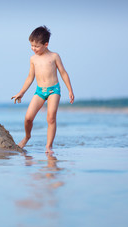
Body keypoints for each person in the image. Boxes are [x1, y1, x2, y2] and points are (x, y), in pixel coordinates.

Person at [11, 26, 74, 154]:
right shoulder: (33, 59)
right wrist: (21, 92)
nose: (33, 48)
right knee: (28, 118)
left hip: (53, 90)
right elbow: (30, 77)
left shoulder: (54, 56)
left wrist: (70, 90)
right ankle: (27, 136)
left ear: (46, 44)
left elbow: (63, 73)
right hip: (40, 91)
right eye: (31, 45)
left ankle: (48, 146)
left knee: (51, 118)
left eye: (36, 46)